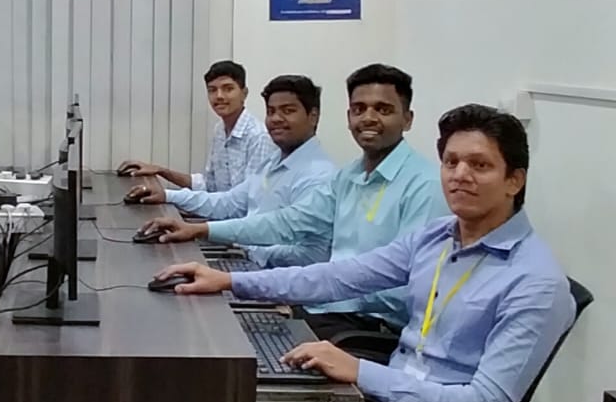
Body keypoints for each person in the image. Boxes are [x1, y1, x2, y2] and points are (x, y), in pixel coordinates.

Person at [153, 105, 575, 402]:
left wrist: (360, 371)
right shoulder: (438, 238)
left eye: (480, 165)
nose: (460, 175)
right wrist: (230, 281)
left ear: (514, 180)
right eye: (451, 161)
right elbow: (340, 277)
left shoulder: (535, 282)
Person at [141, 64, 447, 336]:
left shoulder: (423, 185)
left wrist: (301, 290)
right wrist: (201, 230)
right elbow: (288, 222)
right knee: (205, 321)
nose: (368, 118)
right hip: (324, 305)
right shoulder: (350, 175)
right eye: (359, 109)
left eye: (383, 109)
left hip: (368, 326)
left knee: (232, 344)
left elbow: (404, 288)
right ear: (348, 116)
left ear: (408, 119)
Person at [127, 75, 336, 267]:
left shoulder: (318, 176)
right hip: (247, 258)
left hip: (273, 277)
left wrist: (245, 248)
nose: (276, 119)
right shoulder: (274, 161)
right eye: (271, 111)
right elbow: (229, 202)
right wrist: (167, 195)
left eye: (288, 111)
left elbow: (313, 255)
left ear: (313, 116)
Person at [118, 59, 276, 192]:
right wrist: (160, 171)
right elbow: (208, 185)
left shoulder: (259, 137)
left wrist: (171, 197)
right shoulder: (220, 130)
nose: (219, 96)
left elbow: (247, 202)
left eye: (228, 89)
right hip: (219, 214)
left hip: (240, 219)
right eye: (212, 90)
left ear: (244, 93)